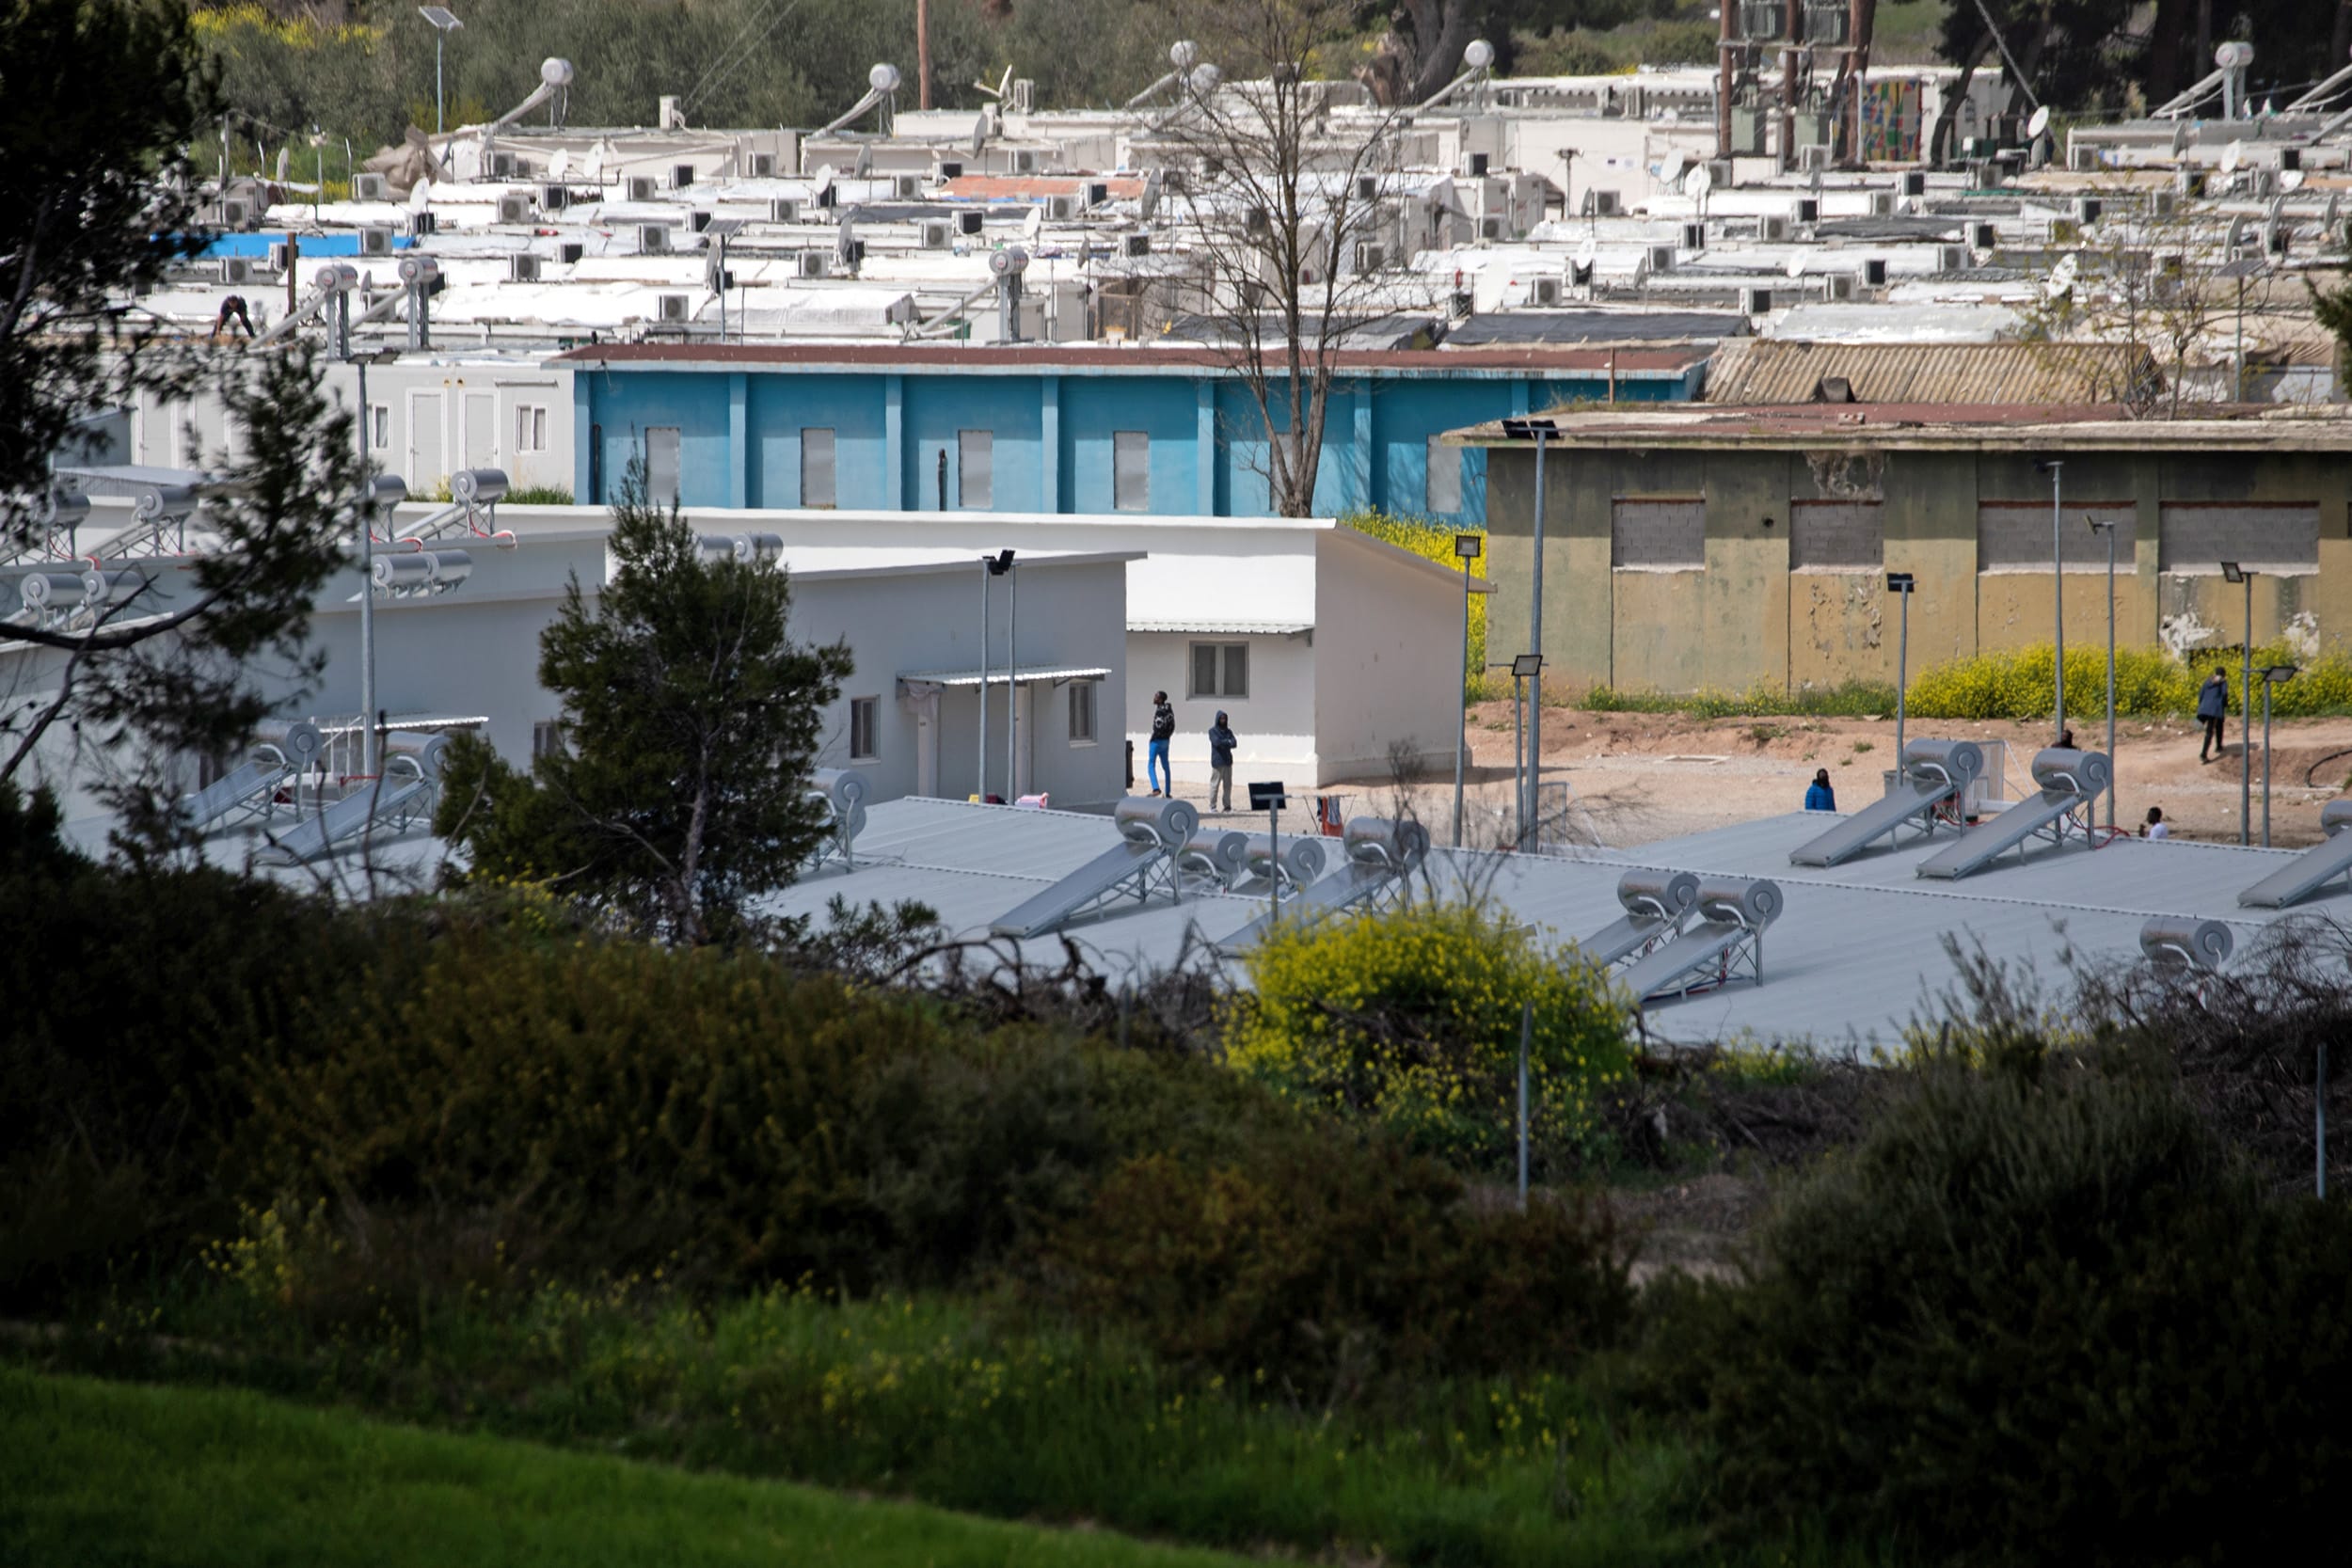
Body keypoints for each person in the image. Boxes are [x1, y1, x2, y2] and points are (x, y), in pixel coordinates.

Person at [1206, 709, 1236, 811]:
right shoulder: (1212, 731)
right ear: (1218, 719)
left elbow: (1234, 743)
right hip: (1218, 762)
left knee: (1228, 786)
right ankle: (1212, 806)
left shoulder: (1229, 731)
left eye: (1224, 718)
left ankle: (1227, 806)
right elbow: (1216, 743)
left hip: (1228, 762)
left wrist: (1225, 742)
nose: (1223, 720)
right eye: (1221, 718)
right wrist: (1227, 741)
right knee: (1215, 785)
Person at [1147, 689, 1174, 796]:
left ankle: (1156, 788)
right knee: (1166, 766)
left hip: (1157, 741)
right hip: (1166, 742)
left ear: (1161, 699)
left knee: (1151, 764)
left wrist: (1155, 737)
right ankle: (1167, 792)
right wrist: (1167, 736)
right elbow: (1172, 726)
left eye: (1156, 696)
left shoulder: (1160, 711)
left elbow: (1158, 726)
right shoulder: (1169, 711)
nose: (1154, 698)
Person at [2198, 670, 2229, 763]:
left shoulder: (2208, 681)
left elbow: (2201, 694)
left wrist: (2201, 706)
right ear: (2223, 674)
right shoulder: (2223, 682)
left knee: (2197, 725)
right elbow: (2224, 694)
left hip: (2203, 708)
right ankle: (2203, 754)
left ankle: (2187, 734)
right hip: (2214, 710)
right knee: (2209, 732)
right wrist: (2224, 704)